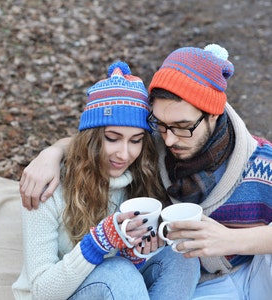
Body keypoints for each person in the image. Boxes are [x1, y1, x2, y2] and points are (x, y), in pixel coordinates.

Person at [20, 44, 272, 299]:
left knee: (176, 260)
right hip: (183, 286)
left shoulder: (260, 163)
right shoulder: (149, 150)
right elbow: (95, 137)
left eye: (182, 127)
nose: (170, 140)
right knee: (134, 268)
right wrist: (51, 152)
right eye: (161, 126)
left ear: (212, 115)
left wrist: (229, 240)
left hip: (250, 273)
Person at [13, 61, 200, 300]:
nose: (124, 154)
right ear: (91, 137)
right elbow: (41, 292)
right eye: (112, 138)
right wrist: (97, 243)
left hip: (115, 288)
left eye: (136, 140)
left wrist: (137, 255)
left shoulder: (140, 177)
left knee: (182, 258)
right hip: (57, 294)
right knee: (119, 272)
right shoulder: (47, 185)